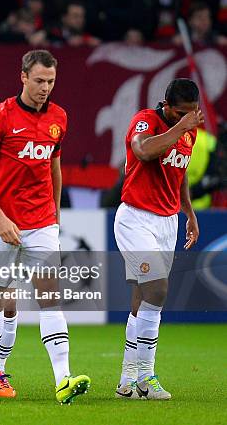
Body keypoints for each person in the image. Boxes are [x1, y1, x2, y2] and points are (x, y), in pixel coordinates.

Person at [0, 49, 90, 405]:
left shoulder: (59, 117)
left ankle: (63, 379)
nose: (44, 88)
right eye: (39, 81)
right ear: (23, 77)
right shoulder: (0, 118)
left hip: (40, 223)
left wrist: (54, 212)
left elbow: (54, 165)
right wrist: (1, 219)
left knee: (50, 297)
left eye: (50, 82)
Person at [114, 79, 203, 400]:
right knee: (158, 288)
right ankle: (146, 377)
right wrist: (181, 127)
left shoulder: (187, 132)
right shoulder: (146, 120)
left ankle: (127, 379)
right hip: (136, 217)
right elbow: (144, 150)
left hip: (168, 220)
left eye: (192, 114)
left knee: (142, 297)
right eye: (182, 113)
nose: (189, 118)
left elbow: (179, 175)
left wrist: (190, 214)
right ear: (167, 106)